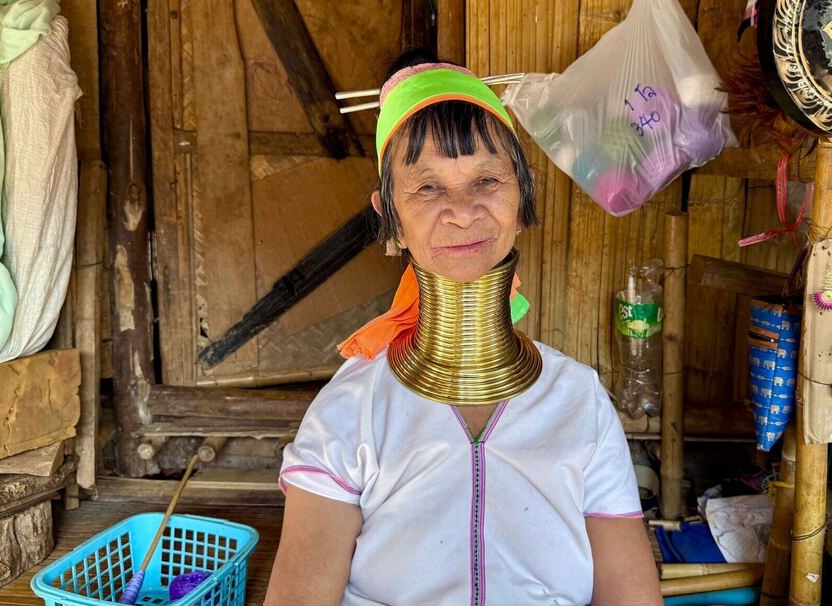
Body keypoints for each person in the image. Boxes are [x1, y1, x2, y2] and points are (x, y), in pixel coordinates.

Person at [264, 50, 662, 606]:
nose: (462, 210)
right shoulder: (351, 410)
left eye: (487, 179)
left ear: (522, 194)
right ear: (390, 217)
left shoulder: (578, 400)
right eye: (427, 188)